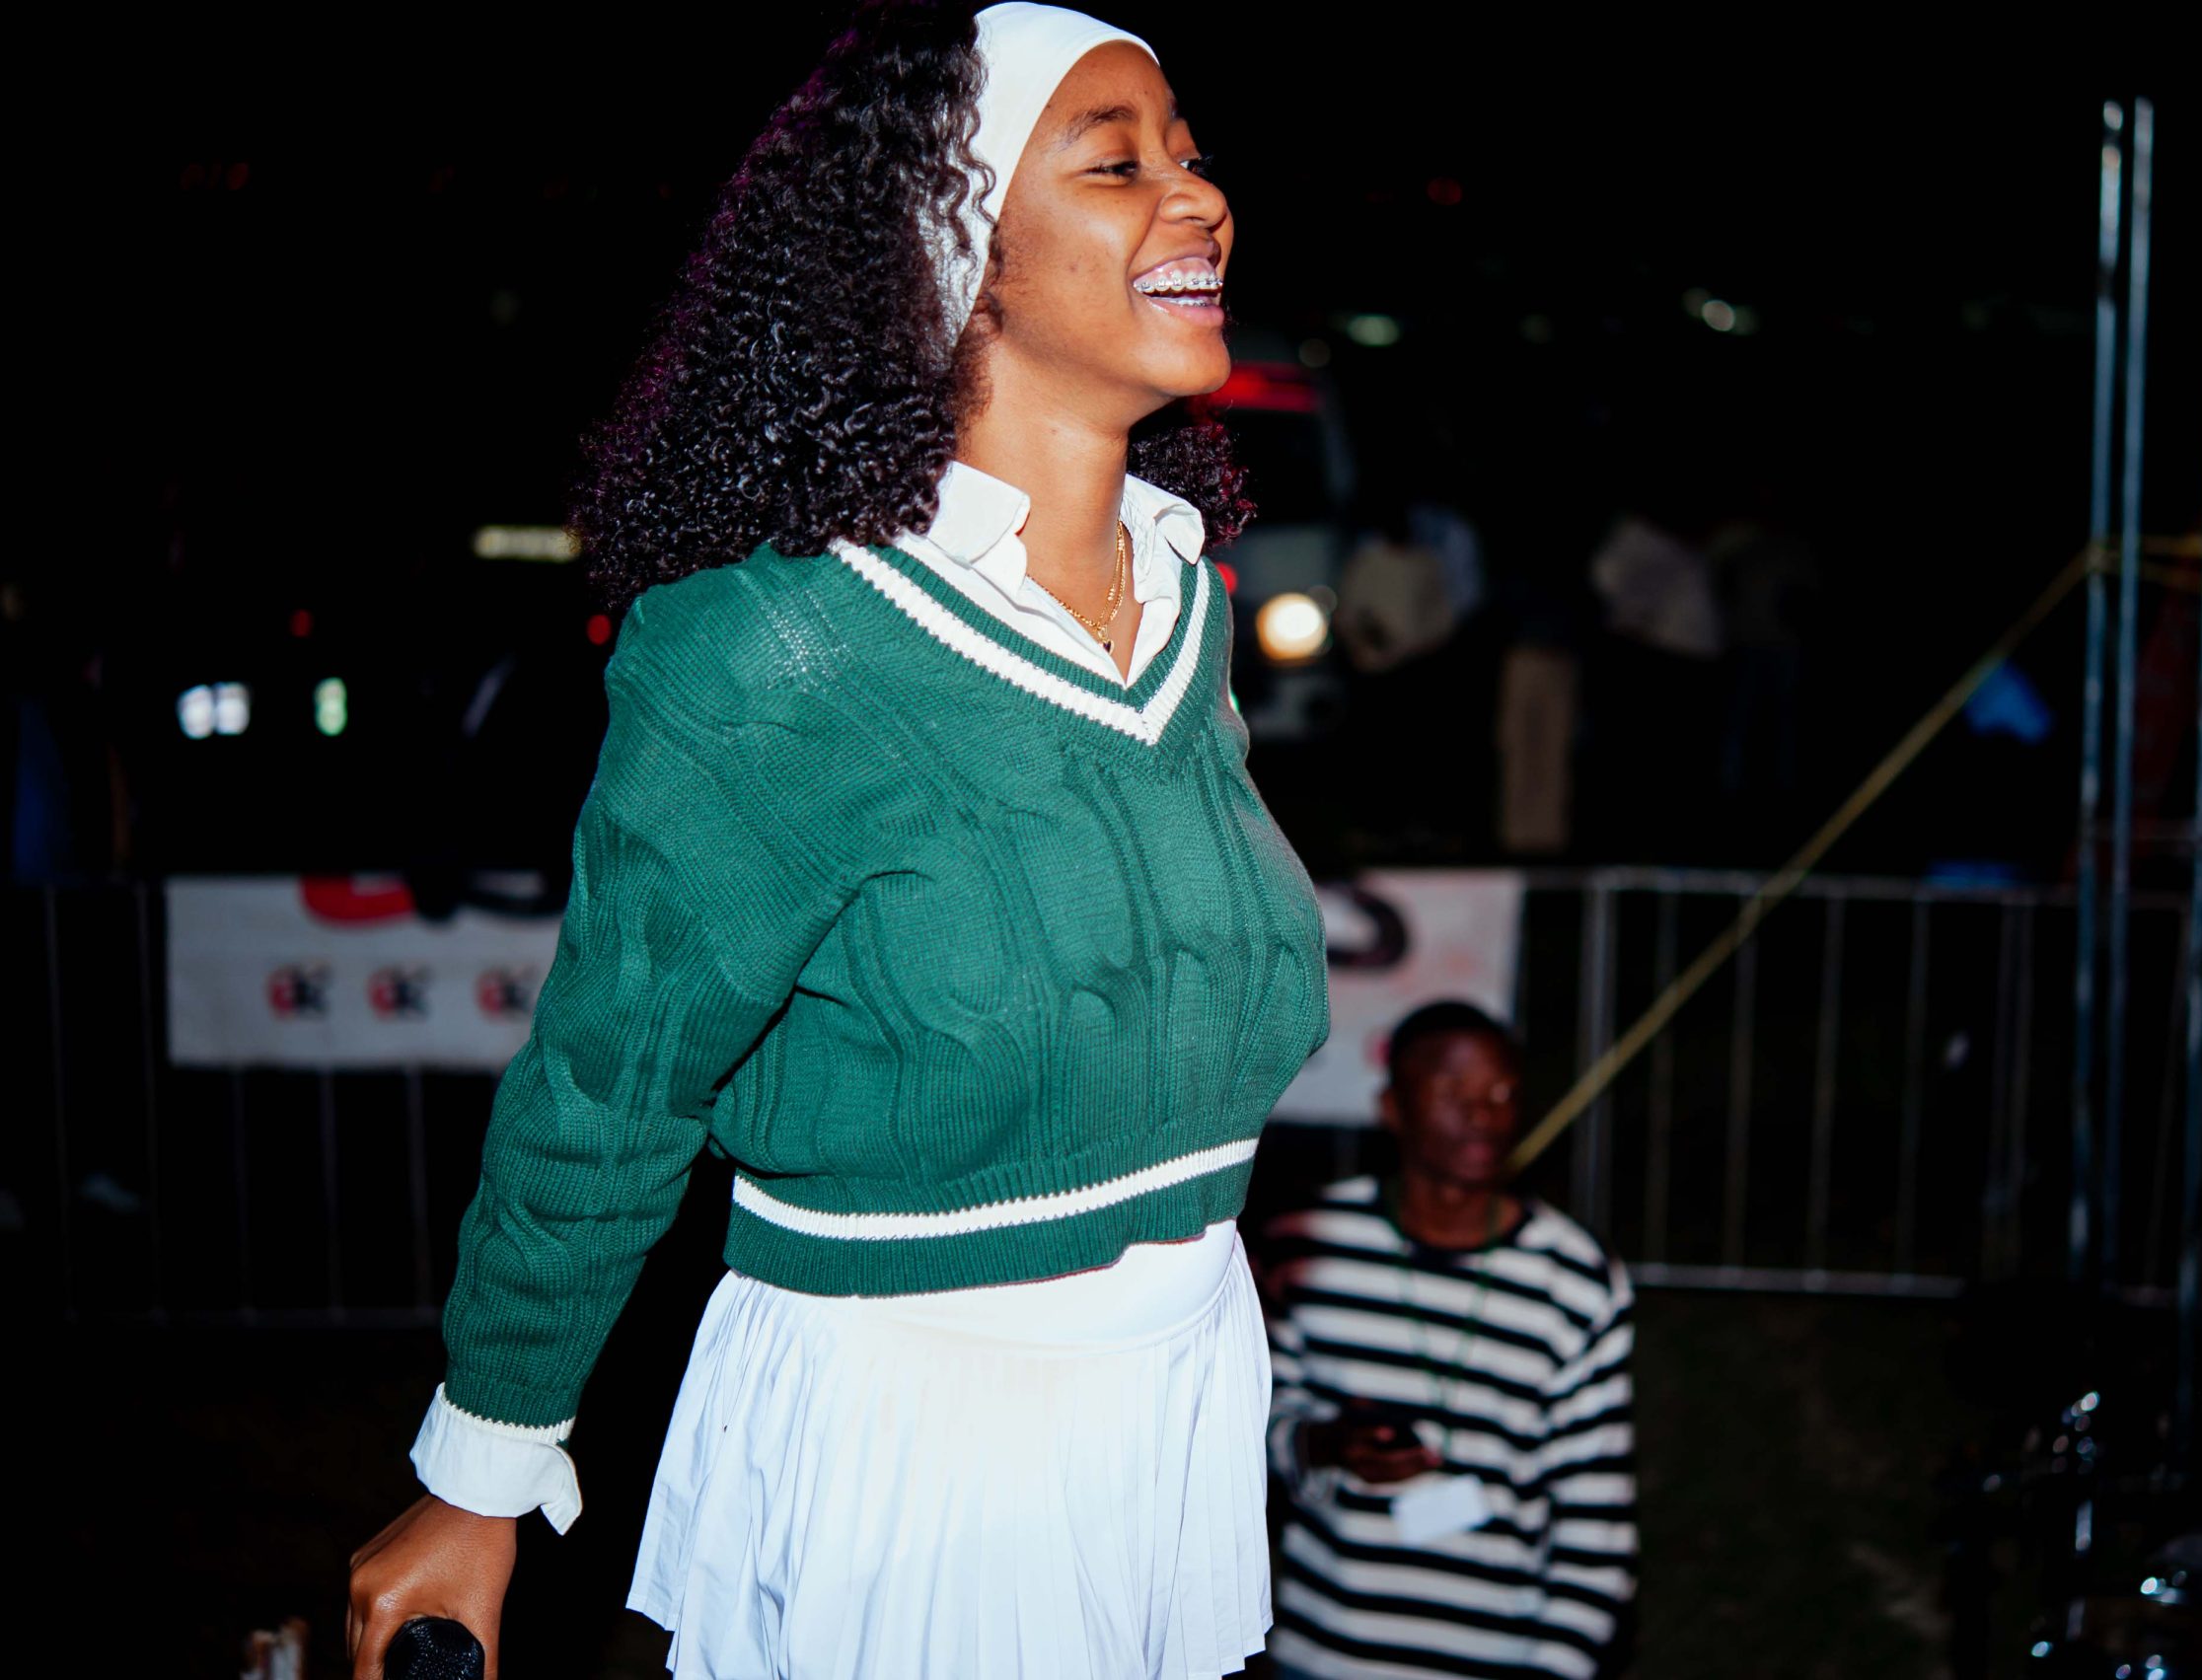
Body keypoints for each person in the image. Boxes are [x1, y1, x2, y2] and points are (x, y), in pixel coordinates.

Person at [343, 6, 1331, 1677]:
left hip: (1186, 1384)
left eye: (1190, 154)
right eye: (1116, 164)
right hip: (928, 1434)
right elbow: (608, 1086)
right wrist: (480, 1469)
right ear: (950, 246)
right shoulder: (777, 649)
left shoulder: (1184, 605)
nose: (1198, 198)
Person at [1260, 1001, 1638, 1679]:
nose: (1483, 1114)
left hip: (1499, 1658)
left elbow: (1596, 1520)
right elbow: (1254, 1434)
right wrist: (1328, 1443)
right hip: (1326, 1651)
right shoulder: (1309, 1243)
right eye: (1452, 1090)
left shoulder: (1576, 1278)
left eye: (1502, 1092)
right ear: (1392, 1108)